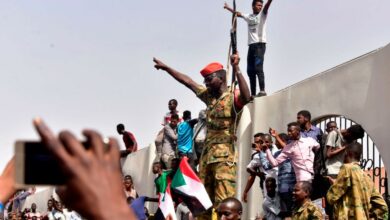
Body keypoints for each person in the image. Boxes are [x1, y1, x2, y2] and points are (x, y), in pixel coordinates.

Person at [154, 53, 251, 219]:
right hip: (206, 159)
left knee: (223, 204)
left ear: (221, 78)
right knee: (202, 203)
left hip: (224, 160)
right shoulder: (209, 98)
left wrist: (236, 67)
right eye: (205, 80)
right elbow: (189, 82)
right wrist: (167, 68)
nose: (206, 83)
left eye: (209, 79)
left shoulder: (231, 98)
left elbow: (247, 97)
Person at [33, 118, 137, 219]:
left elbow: (133, 142)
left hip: (130, 151)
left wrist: (131, 151)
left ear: (120, 129)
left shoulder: (126, 134)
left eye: (117, 130)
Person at [326, 142, 388, 219]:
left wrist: (334, 185)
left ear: (348, 153)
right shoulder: (367, 177)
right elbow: (382, 206)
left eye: (344, 153)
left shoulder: (347, 168)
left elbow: (331, 198)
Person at [224, 0, 273, 97]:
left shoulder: (262, 14)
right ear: (253, 6)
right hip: (251, 46)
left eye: (261, 5)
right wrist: (228, 8)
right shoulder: (249, 16)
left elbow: (267, 6)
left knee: (258, 67)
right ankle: (253, 93)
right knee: (250, 70)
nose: (260, 7)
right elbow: (237, 14)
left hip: (260, 45)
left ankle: (262, 90)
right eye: (258, 5)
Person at [269, 132, 296, 218]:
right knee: (286, 206)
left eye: (276, 141)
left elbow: (287, 149)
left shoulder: (292, 149)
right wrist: (264, 151)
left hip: (293, 182)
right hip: (282, 183)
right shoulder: (277, 154)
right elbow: (269, 165)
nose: (275, 143)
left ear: (282, 140)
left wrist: (276, 136)